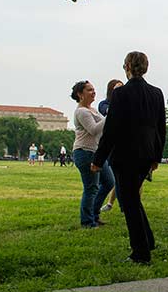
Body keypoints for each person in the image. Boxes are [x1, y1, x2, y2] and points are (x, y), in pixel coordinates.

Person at [92, 51, 165, 264]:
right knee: (132, 197)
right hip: (146, 154)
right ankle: (147, 240)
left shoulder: (120, 95)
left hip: (125, 155)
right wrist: (156, 156)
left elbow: (112, 129)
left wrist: (98, 159)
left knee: (128, 201)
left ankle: (141, 252)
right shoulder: (156, 93)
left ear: (127, 67)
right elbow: (160, 128)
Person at [71, 80, 115, 228]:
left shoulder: (93, 110)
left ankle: (94, 214)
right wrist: (110, 115)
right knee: (91, 187)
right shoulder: (81, 112)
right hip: (84, 152)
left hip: (96, 152)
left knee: (109, 182)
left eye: (94, 89)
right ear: (80, 94)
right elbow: (94, 129)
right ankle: (87, 221)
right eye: (89, 90)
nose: (93, 92)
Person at [99, 79, 124, 213]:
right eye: (116, 88)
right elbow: (109, 112)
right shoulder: (104, 104)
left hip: (125, 144)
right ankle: (109, 204)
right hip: (110, 145)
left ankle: (122, 206)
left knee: (122, 178)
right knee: (112, 178)